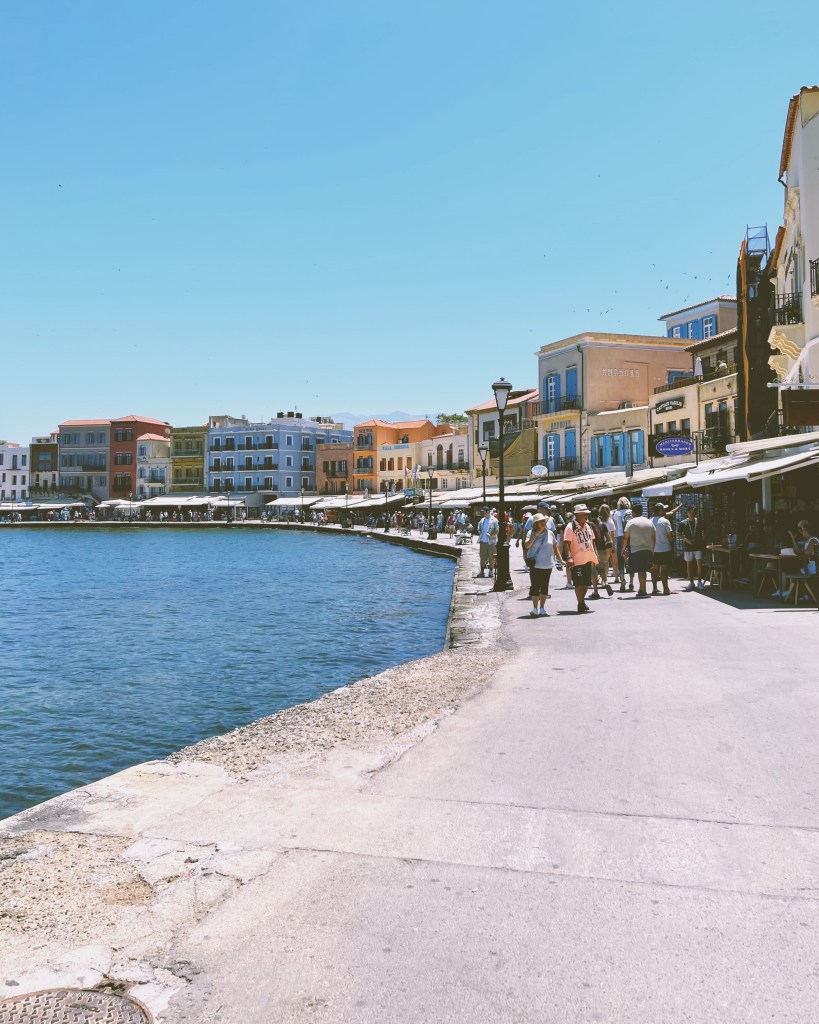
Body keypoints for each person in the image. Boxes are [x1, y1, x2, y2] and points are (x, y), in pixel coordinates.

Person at [562, 503, 599, 613]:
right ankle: (580, 603)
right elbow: (566, 543)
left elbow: (592, 541)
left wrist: (595, 554)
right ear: (577, 515)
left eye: (587, 514)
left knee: (586, 583)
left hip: (588, 558)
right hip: (577, 560)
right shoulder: (570, 527)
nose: (586, 516)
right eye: (584, 514)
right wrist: (569, 557)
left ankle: (582, 601)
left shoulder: (588, 526)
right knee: (579, 583)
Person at [524, 513, 562, 616]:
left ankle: (542, 608)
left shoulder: (550, 533)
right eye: (541, 521)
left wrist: (561, 560)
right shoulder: (530, 533)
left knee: (545, 586)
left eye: (544, 521)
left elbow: (555, 548)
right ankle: (535, 608)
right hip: (535, 564)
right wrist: (535, 535)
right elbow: (527, 546)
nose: (543, 523)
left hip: (547, 564)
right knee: (535, 586)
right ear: (536, 523)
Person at [623, 500, 655, 598]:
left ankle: (643, 590)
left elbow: (625, 537)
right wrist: (652, 549)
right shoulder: (649, 522)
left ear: (633, 512)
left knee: (641, 571)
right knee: (643, 570)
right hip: (648, 549)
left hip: (636, 550)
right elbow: (654, 537)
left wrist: (623, 549)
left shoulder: (631, 522)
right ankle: (641, 589)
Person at [650, 503, 675, 595]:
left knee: (655, 569)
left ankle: (654, 588)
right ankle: (666, 589)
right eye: (663, 509)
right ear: (660, 511)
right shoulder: (665, 521)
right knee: (664, 570)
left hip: (654, 549)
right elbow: (671, 537)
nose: (665, 511)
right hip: (665, 548)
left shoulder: (650, 521)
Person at [679, 506, 705, 590]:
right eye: (690, 512)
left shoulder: (699, 521)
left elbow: (707, 529)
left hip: (698, 546)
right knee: (689, 564)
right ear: (687, 513)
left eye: (693, 512)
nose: (691, 514)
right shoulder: (683, 522)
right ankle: (691, 582)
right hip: (688, 546)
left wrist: (704, 538)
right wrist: (686, 540)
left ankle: (699, 582)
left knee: (699, 564)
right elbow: (679, 534)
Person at [612, 496, 634, 592]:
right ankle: (631, 582)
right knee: (631, 558)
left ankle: (622, 579)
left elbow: (615, 527)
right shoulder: (630, 512)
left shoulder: (616, 513)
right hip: (630, 537)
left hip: (620, 537)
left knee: (620, 558)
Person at [476, 507, 499, 578]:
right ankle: (482, 571)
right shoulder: (482, 520)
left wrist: (491, 535)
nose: (483, 513)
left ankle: (491, 571)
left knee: (491, 557)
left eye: (484, 512)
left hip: (491, 542)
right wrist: (481, 533)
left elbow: (497, 531)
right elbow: (479, 528)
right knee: (482, 557)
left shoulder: (494, 520)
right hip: (483, 541)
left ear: (488, 512)